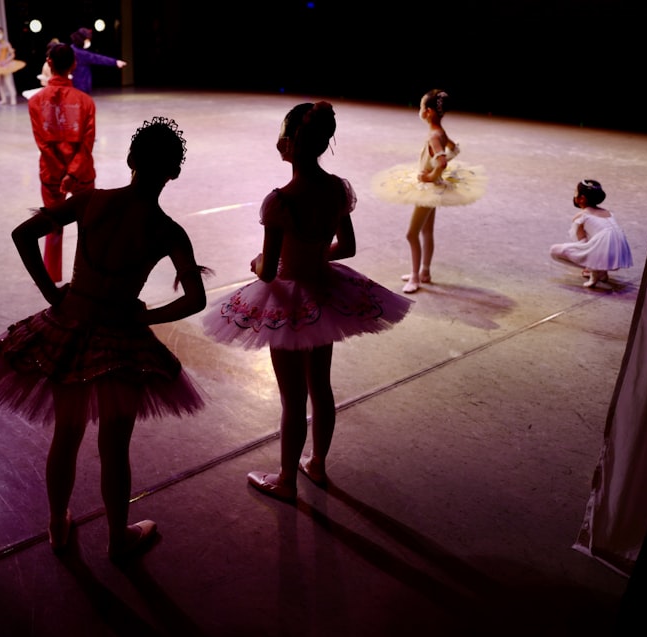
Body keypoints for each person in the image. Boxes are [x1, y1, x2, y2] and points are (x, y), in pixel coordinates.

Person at [0, 117, 210, 563]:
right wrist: (147, 315)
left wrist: (51, 293)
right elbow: (195, 299)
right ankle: (119, 538)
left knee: (67, 434)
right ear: (174, 172)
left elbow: (23, 234)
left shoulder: (91, 201)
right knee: (115, 449)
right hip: (121, 340)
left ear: (130, 159)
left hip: (69, 328)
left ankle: (58, 524)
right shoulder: (168, 231)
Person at [202, 102, 413, 502]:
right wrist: (315, 256)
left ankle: (285, 480)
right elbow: (347, 247)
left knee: (292, 396)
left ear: (290, 142)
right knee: (321, 385)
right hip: (323, 293)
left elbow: (266, 271)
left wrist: (263, 262)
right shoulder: (336, 189)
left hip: (287, 298)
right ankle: (316, 463)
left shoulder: (280, 200)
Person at [370, 89, 487, 293]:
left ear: (430, 111)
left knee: (411, 234)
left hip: (428, 190)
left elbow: (441, 161)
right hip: (434, 189)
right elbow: (454, 149)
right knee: (426, 231)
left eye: (422, 107)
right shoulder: (440, 132)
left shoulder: (434, 135)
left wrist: (430, 176)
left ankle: (415, 276)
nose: (420, 111)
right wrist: (436, 170)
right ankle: (425, 271)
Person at [27, 43, 96, 283]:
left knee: (52, 226)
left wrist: (61, 174)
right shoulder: (86, 102)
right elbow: (87, 144)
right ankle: (87, 276)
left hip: (51, 174)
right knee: (87, 227)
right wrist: (73, 174)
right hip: (82, 175)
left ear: (49, 63)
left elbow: (43, 144)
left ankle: (51, 277)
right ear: (74, 64)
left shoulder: (35, 101)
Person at [549, 179, 634, 288]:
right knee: (592, 241)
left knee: (555, 250)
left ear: (582, 198)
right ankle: (601, 270)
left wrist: (590, 262)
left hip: (604, 249)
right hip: (619, 252)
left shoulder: (582, 216)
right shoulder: (608, 212)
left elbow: (582, 242)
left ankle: (594, 270)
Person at [69, 28, 127, 95]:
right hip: (81, 86)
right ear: (82, 40)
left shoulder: (71, 49)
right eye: (87, 39)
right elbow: (99, 59)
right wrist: (115, 62)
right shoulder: (82, 54)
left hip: (74, 85)